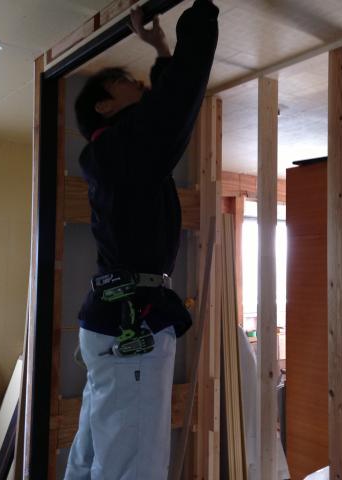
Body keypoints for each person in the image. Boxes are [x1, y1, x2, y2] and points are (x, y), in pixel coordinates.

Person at [64, 1, 219, 479]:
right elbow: (174, 102)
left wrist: (160, 47)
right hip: (129, 325)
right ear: (105, 107)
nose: (139, 83)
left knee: (99, 452)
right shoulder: (122, 149)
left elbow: (161, 110)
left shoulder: (118, 156)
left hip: (116, 320)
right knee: (133, 464)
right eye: (126, 82)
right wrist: (200, 14)